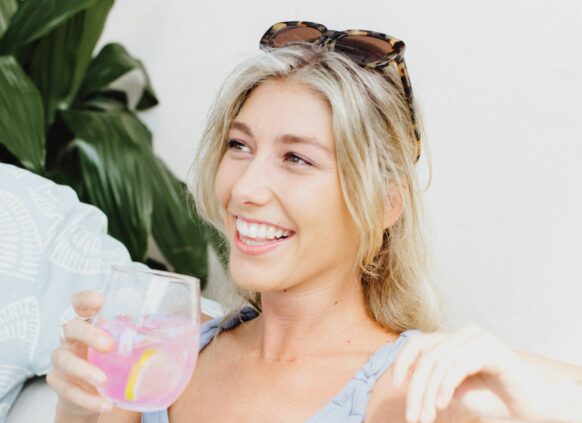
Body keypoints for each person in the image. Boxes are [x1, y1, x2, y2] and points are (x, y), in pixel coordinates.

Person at [48, 22, 582, 423]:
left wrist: (524, 392)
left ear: (382, 204)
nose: (246, 189)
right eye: (239, 145)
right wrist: (82, 411)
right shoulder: (163, 360)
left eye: (297, 158)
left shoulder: (411, 388)